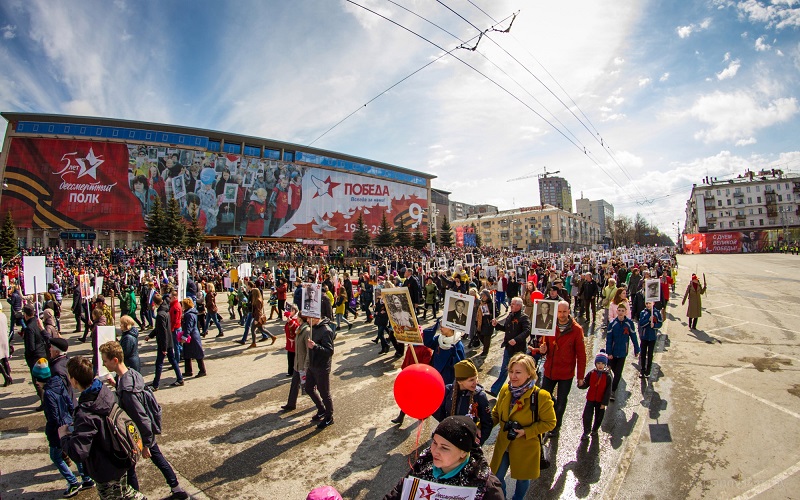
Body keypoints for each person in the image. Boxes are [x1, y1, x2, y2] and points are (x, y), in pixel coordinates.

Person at [99, 342, 189, 499]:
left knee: (131, 468)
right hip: (140, 432)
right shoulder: (130, 374)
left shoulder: (128, 391)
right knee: (155, 460)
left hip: (138, 433)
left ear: (114, 360)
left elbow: (141, 418)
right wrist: (116, 384)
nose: (103, 364)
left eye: (105, 361)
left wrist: (145, 444)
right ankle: (177, 488)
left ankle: (141, 495)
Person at [59, 356, 146, 500]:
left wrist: (64, 437)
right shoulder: (103, 392)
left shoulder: (86, 412)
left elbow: (78, 452)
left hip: (106, 467)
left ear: (74, 381)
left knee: (114, 495)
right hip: (120, 455)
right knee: (124, 492)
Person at [383, 416, 505, 500]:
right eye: (434, 442)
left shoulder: (485, 485)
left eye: (445, 448)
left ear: (463, 452)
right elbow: (399, 492)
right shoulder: (424, 464)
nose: (435, 451)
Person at [490, 353, 556, 500]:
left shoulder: (541, 396)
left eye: (518, 372)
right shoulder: (505, 389)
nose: (513, 376)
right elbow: (496, 413)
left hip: (525, 447)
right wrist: (480, 426)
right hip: (504, 444)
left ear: (529, 374)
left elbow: (550, 422)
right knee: (496, 478)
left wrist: (527, 431)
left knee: (523, 480)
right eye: (511, 372)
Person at [34, 357, 95, 498]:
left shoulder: (48, 394)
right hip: (69, 422)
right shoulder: (59, 382)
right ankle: (86, 478)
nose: (36, 382)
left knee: (56, 456)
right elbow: (69, 401)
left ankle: (73, 482)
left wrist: (54, 431)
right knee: (74, 452)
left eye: (37, 379)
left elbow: (53, 417)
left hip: (59, 430)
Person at [537, 300, 586, 438]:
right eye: (559, 311)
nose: (562, 314)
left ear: (569, 311)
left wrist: (580, 377)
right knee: (545, 397)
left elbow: (581, 355)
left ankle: (555, 426)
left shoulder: (577, 330)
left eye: (564, 311)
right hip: (550, 370)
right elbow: (544, 344)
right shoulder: (550, 325)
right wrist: (542, 349)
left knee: (562, 400)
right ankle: (546, 419)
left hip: (566, 373)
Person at [433, 360, 493, 445]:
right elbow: (440, 413)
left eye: (476, 378)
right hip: (449, 438)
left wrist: (477, 442)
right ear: (460, 381)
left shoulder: (479, 396)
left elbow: (488, 423)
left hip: (468, 442)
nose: (475, 382)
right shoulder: (448, 391)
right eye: (471, 380)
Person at [489, 297, 530, 396]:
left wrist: (516, 340)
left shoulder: (524, 317)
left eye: (513, 304)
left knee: (518, 371)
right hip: (508, 347)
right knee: (504, 369)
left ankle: (520, 391)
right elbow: (505, 328)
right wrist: (496, 325)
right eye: (511, 303)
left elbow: (527, 331)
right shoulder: (510, 315)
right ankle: (495, 390)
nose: (511, 305)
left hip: (518, 350)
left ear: (519, 306)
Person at [147, 294, 184, 389]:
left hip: (164, 343)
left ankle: (155, 384)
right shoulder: (166, 311)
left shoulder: (160, 315)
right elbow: (160, 329)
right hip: (169, 341)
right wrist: (150, 335)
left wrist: (164, 347)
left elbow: (162, 331)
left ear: (154, 303)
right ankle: (180, 378)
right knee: (172, 360)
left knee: (159, 363)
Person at [305, 316, 335, 429]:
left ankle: (329, 417)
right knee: (308, 388)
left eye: (309, 318)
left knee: (324, 393)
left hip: (322, 366)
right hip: (312, 365)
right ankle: (321, 409)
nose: (307, 321)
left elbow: (329, 351)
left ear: (316, 318)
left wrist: (315, 346)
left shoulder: (326, 330)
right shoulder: (313, 328)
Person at [606, 302, 640, 402]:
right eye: (619, 310)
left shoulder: (629, 323)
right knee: (612, 370)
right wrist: (609, 353)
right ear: (616, 311)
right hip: (613, 352)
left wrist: (636, 349)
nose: (620, 312)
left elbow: (633, 337)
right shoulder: (612, 324)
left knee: (618, 373)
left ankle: (613, 390)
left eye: (622, 311)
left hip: (622, 353)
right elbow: (609, 339)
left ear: (626, 312)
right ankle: (609, 387)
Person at [577, 349, 613, 440]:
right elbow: (586, 383)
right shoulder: (592, 373)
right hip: (591, 398)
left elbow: (608, 391)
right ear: (595, 364)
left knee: (599, 416)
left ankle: (595, 429)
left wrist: (604, 403)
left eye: (602, 363)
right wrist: (581, 384)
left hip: (601, 401)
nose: (600, 365)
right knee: (587, 415)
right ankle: (586, 431)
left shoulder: (608, 376)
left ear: (605, 364)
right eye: (598, 363)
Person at [423, 321, 466, 387]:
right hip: (435, 375)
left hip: (447, 380)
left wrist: (455, 356)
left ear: (450, 328)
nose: (440, 329)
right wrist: (432, 331)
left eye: (442, 327)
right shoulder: (440, 339)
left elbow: (460, 368)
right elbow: (428, 343)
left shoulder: (458, 344)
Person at [281, 313, 310, 412]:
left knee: (310, 387)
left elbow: (308, 350)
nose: (296, 318)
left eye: (297, 317)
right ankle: (291, 404)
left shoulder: (306, 331)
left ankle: (321, 403)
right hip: (297, 362)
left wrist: (306, 365)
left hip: (303, 364)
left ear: (301, 319)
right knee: (294, 384)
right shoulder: (299, 329)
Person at [22, 304, 48, 407]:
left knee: (37, 381)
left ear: (25, 315)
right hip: (43, 354)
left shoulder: (29, 328)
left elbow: (30, 347)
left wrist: (28, 357)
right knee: (44, 379)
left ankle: (43, 402)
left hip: (35, 358)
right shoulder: (38, 322)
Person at [180, 298, 207, 378]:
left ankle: (202, 370)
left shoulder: (189, 314)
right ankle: (188, 371)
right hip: (192, 335)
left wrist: (184, 337)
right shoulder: (191, 312)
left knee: (197, 354)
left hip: (192, 336)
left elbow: (189, 327)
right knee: (187, 354)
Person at [638, 301, 663, 378]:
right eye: (646, 303)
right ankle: (642, 370)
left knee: (650, 354)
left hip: (652, 337)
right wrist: (648, 320)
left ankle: (648, 371)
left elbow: (660, 323)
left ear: (653, 303)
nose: (648, 305)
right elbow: (641, 323)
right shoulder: (643, 312)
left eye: (649, 303)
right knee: (643, 353)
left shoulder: (656, 312)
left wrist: (654, 325)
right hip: (644, 336)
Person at [475, 290, 495, 357]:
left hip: (488, 323)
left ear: (487, 296)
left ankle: (485, 351)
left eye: (484, 295)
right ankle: (486, 346)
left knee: (486, 338)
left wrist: (491, 314)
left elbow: (496, 313)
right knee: (480, 336)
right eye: (482, 295)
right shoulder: (481, 303)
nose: (482, 297)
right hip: (480, 323)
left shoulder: (491, 304)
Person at [284, 304, 300, 376]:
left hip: (295, 342)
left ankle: (296, 370)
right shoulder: (290, 318)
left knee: (295, 357)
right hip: (289, 341)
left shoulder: (297, 319)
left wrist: (291, 322)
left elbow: (297, 328)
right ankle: (290, 371)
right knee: (290, 357)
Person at [0, 303, 12, 386]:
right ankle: (9, 377)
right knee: (5, 359)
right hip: (4, 339)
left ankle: (6, 376)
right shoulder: (3, 315)